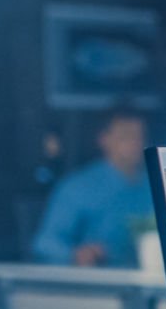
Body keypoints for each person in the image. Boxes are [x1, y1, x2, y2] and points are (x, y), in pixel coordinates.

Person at [31, 110, 154, 267]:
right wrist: (77, 254)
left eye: (140, 136)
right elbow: (45, 244)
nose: (136, 143)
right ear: (104, 140)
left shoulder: (155, 185)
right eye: (126, 136)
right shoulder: (78, 187)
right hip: (97, 284)